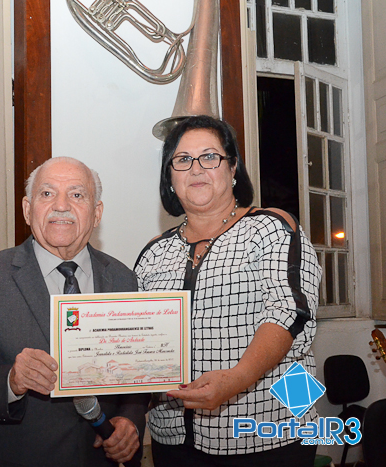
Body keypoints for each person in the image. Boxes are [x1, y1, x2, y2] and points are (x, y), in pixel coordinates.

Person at [134, 115, 321, 466]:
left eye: (210, 156)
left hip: (268, 431)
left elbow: (289, 312)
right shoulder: (154, 252)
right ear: (170, 177)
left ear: (233, 168)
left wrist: (237, 379)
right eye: (183, 160)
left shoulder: (270, 228)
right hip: (172, 436)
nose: (196, 169)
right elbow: (138, 337)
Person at [0, 157, 149, 467]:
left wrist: (130, 419)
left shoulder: (123, 279)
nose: (62, 206)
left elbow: (136, 373)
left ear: (96, 213)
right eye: (47, 193)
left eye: (77, 194)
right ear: (28, 209)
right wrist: (10, 380)